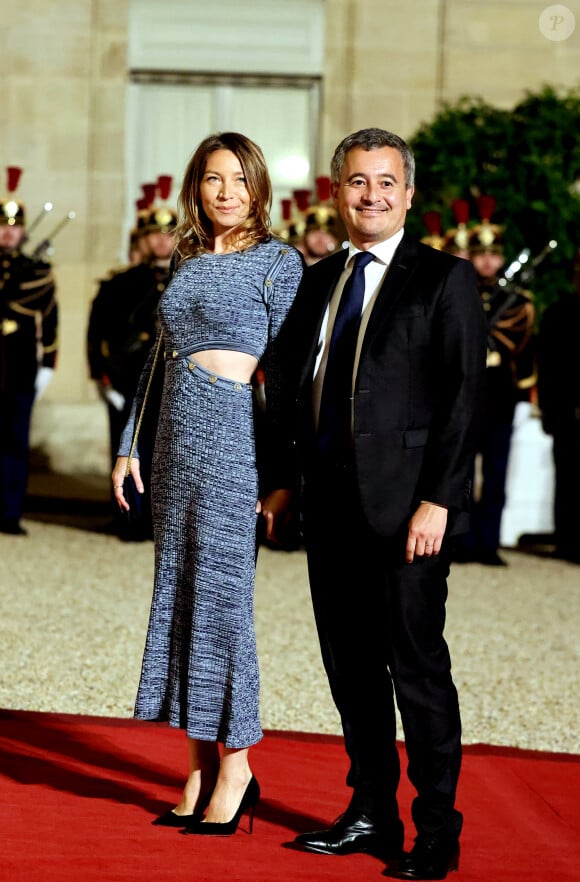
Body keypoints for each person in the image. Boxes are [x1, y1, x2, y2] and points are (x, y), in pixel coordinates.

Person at [261, 128, 486, 880]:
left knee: (416, 668)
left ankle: (436, 828)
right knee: (351, 669)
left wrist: (439, 502)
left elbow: (463, 400)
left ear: (409, 193)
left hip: (406, 517)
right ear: (337, 191)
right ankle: (371, 814)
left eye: (387, 182)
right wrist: (285, 480)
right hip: (329, 511)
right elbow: (294, 394)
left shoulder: (443, 280)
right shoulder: (317, 280)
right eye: (358, 182)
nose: (372, 195)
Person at [112, 132, 303, 834]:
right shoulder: (187, 261)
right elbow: (158, 360)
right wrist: (130, 443)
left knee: (224, 608)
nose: (226, 193)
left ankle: (240, 767)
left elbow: (287, 380)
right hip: (171, 447)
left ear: (259, 188)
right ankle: (195, 766)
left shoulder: (279, 262)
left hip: (236, 443)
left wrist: (284, 478)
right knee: (178, 601)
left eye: (238, 180)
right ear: (196, 188)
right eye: (213, 180)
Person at [87, 192, 177, 540]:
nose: (161, 240)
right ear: (143, 238)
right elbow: (97, 333)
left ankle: (161, 525)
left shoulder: (183, 279)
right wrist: (103, 378)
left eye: (168, 234)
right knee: (126, 451)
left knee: (166, 454)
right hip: (127, 380)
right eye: (154, 233)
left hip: (170, 381)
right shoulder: (120, 284)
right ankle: (128, 520)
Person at [454, 196, 536, 566]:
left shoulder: (517, 301)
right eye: (479, 253)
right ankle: (461, 541)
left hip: (500, 397)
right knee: (461, 475)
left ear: (501, 258)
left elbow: (524, 351)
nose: (487, 260)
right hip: (465, 396)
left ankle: (488, 543)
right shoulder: (455, 296)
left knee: (498, 471)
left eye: (493, 254)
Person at [0, 166, 58, 536]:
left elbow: (50, 322)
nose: (8, 231)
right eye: (3, 225)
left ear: (23, 230)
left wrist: (48, 365)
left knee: (15, 444)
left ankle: (9, 513)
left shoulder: (35, 271)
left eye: (14, 226)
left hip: (19, 369)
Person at [537, 249, 580, 564]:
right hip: (567, 414)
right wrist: (551, 414)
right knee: (567, 480)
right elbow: (548, 368)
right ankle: (567, 541)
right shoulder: (557, 314)